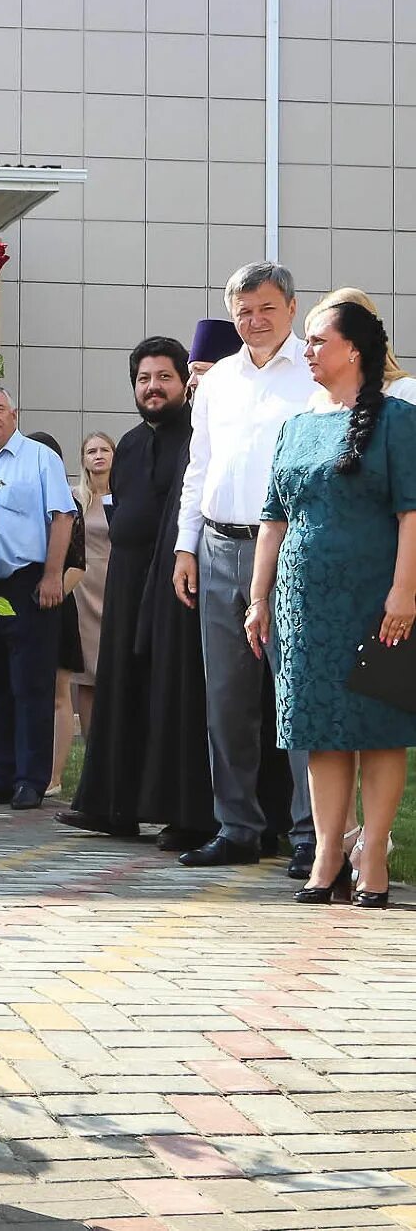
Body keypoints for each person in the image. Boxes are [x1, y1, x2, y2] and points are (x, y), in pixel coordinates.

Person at [246, 300, 416, 908]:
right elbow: (272, 519)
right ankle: (326, 852)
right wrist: (258, 598)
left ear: (354, 350)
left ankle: (372, 852)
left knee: (377, 726)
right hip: (303, 605)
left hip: (375, 599)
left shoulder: (399, 420)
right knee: (319, 729)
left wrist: (405, 591)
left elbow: (411, 513)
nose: (308, 350)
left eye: (318, 341)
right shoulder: (297, 425)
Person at [173, 263, 315, 870]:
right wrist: (185, 546)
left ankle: (313, 834)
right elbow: (198, 465)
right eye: (243, 311)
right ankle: (238, 826)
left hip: (293, 547)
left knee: (298, 693)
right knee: (226, 697)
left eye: (266, 309)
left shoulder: (314, 371)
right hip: (218, 545)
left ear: (291, 306)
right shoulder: (219, 381)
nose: (254, 322)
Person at [61, 334, 220, 846]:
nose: (153, 388)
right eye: (144, 379)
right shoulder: (128, 444)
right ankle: (112, 807)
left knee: (175, 693)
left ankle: (188, 817)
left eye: (164, 377)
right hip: (128, 582)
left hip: (176, 578)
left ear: (183, 382)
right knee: (120, 690)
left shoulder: (199, 434)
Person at [0, 388, 74, 811]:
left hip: (28, 584)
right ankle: (1, 777)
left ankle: (31, 780)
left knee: (32, 686)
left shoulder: (41, 458)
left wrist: (52, 575)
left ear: (14, 414)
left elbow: (62, 516)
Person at [27, 432, 87, 801]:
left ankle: (54, 774)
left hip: (56, 606)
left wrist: (49, 595)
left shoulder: (68, 509)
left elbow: (78, 565)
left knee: (58, 694)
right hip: (20, 603)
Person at [70, 432, 114, 732]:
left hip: (116, 582)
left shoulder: (126, 496)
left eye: (104, 450)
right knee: (86, 672)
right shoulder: (74, 497)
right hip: (82, 587)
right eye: (91, 451)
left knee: (114, 666)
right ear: (83, 459)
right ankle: (89, 739)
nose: (98, 455)